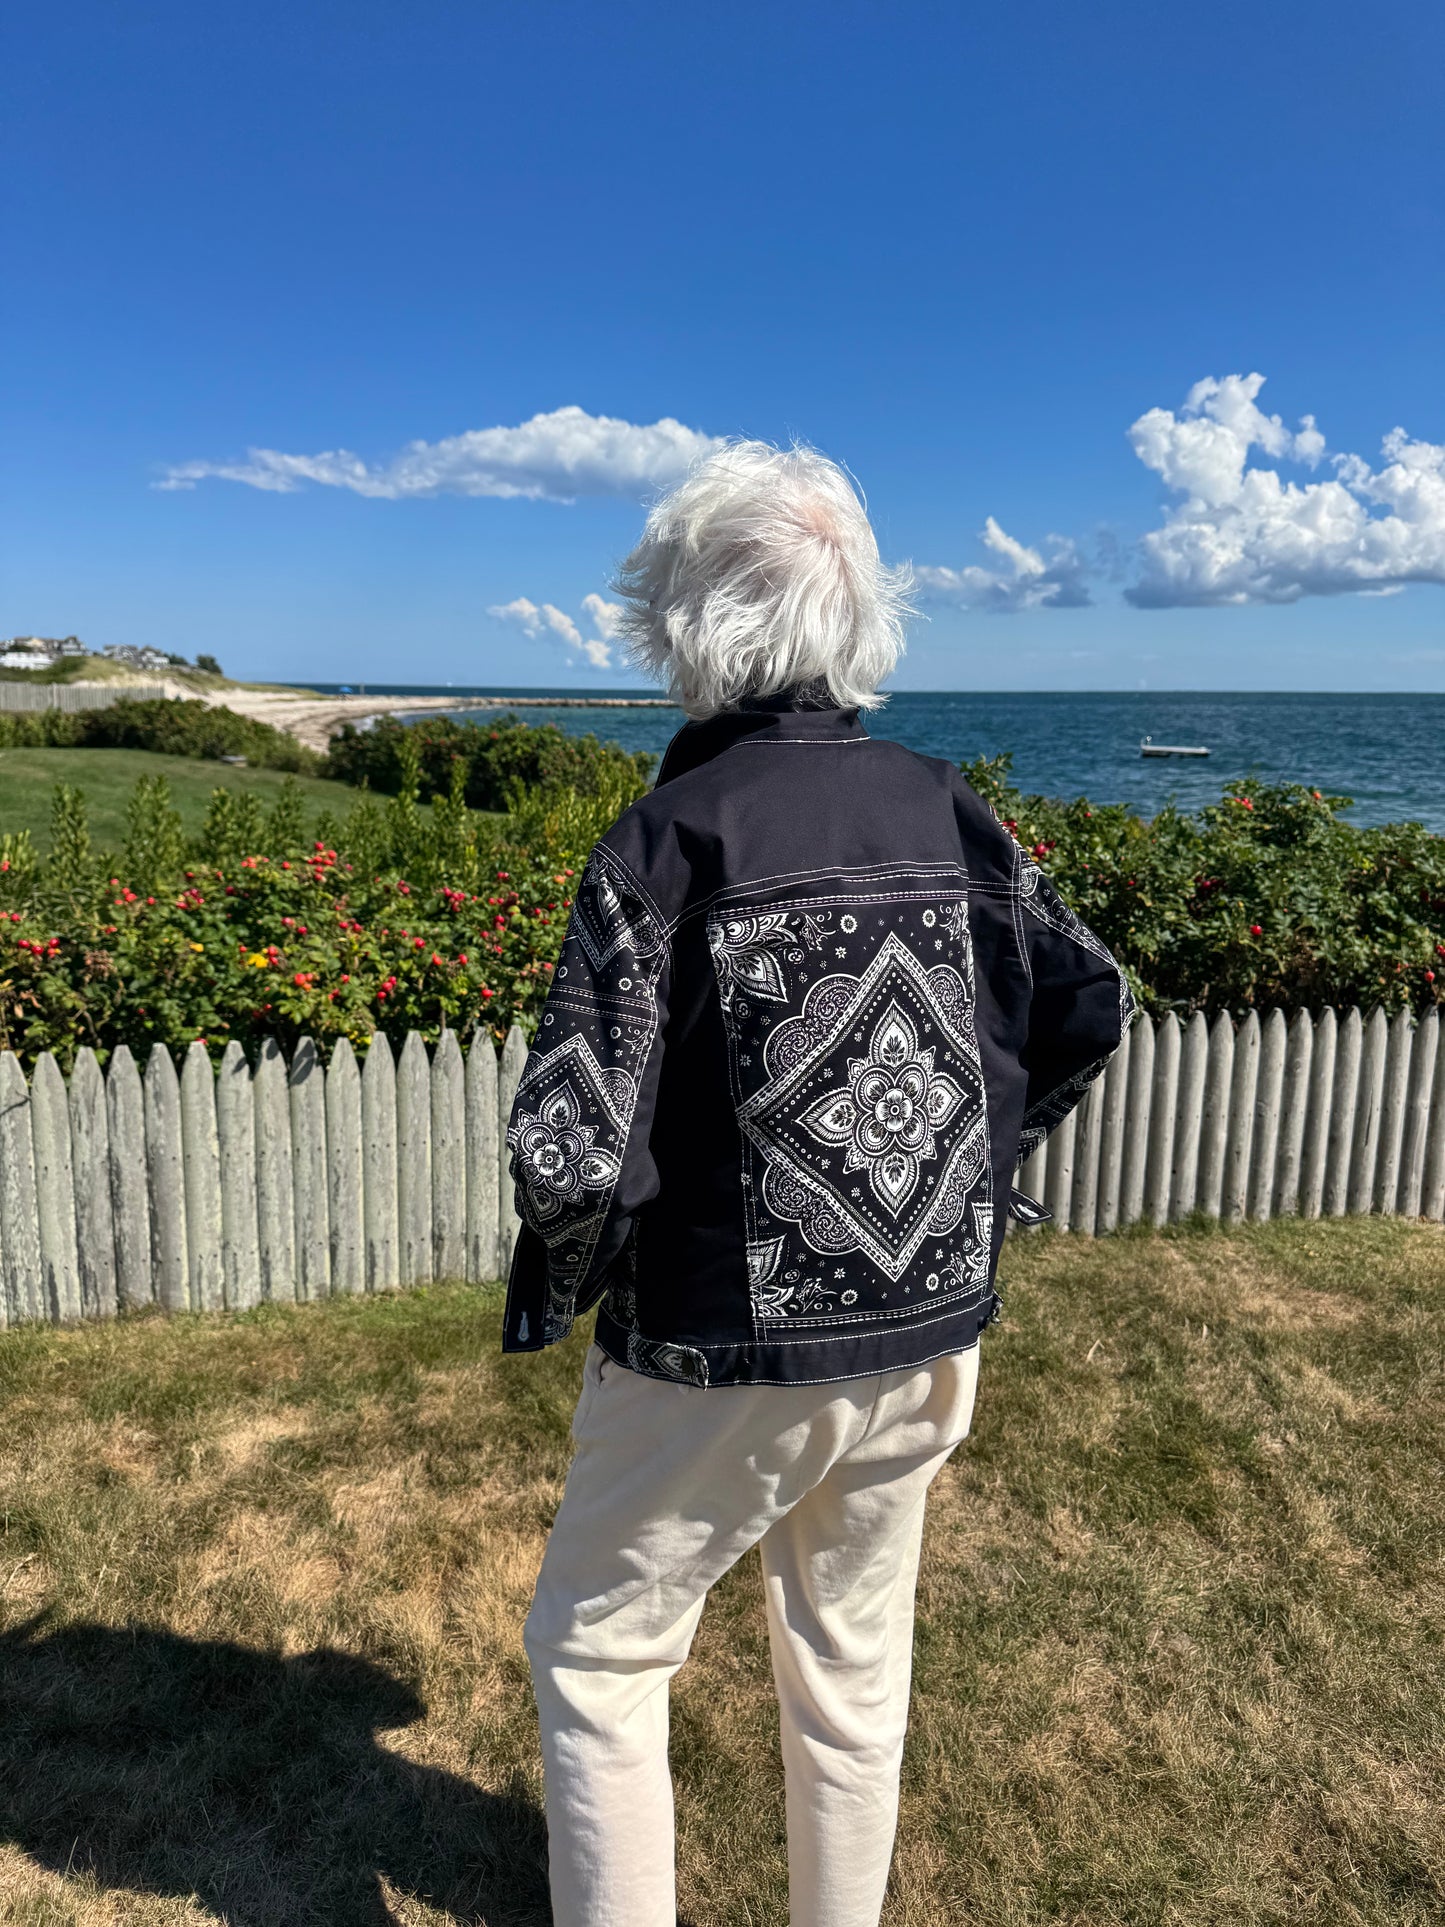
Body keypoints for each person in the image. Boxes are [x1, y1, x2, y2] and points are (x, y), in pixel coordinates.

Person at [503, 441, 1131, 1926]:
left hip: (714, 1347)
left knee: (599, 1655)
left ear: (682, 625)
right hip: (924, 1330)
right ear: (860, 617)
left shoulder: (666, 838)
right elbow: (1088, 999)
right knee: (851, 1671)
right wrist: (973, 1178)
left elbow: (570, 1151)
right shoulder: (947, 807)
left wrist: (571, 1283)